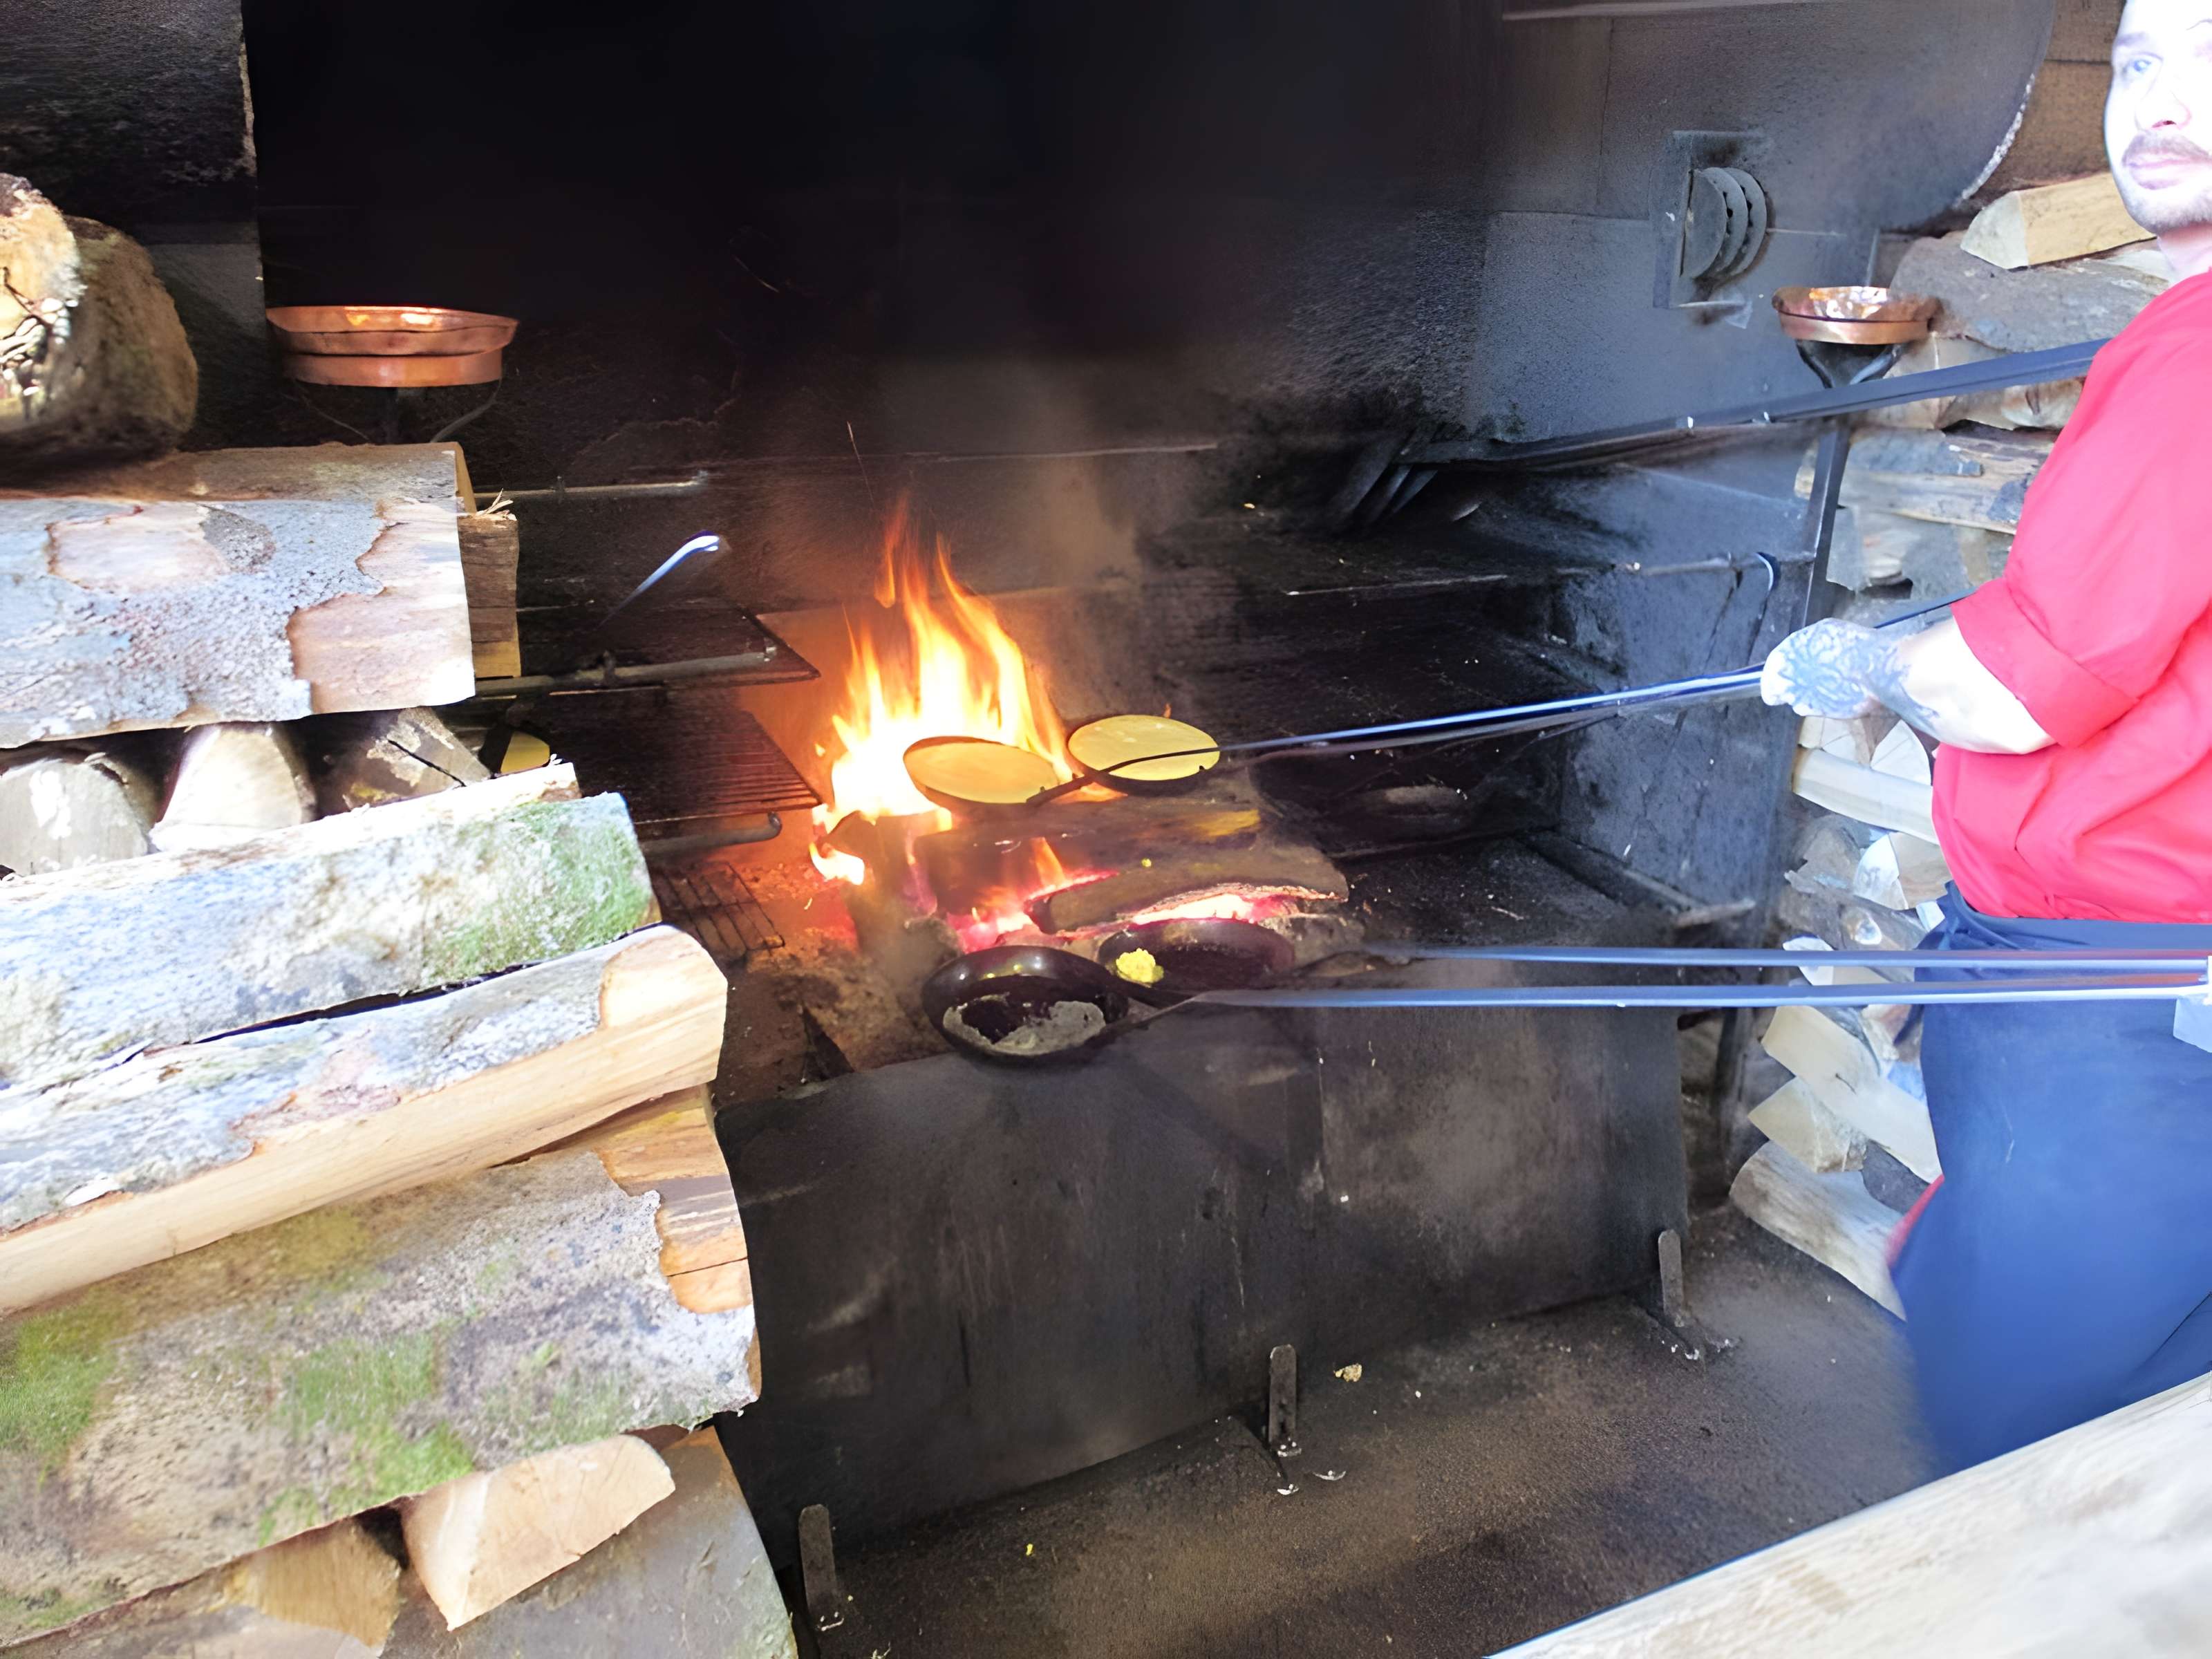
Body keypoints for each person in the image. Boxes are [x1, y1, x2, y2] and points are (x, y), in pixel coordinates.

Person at [1760, 0, 2212, 1470]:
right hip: (2136, 982)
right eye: (2138, 59)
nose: (2158, 100)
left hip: (2136, 1001)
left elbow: (2012, 688)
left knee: (2047, 1451)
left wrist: (1867, 653)